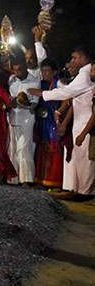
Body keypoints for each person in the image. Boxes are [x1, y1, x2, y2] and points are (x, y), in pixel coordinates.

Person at [28, 47, 95, 195]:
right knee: (79, 158)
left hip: (86, 122)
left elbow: (67, 93)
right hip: (78, 121)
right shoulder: (82, 74)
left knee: (85, 159)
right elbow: (73, 99)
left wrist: (41, 93)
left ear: (84, 58)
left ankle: (85, 192)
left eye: (74, 58)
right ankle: (78, 190)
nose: (71, 61)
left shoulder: (86, 75)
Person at [7, 56, 40, 185]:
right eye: (15, 70)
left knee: (24, 149)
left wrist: (23, 103)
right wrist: (11, 102)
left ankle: (26, 180)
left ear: (25, 67)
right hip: (13, 118)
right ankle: (14, 179)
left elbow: (35, 104)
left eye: (20, 69)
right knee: (13, 150)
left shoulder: (35, 80)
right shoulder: (12, 81)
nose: (17, 72)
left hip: (27, 118)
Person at [34, 58, 64, 189]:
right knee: (44, 149)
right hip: (43, 121)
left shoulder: (59, 83)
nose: (45, 74)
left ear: (55, 71)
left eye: (47, 71)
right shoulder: (42, 84)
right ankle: (43, 180)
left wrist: (59, 112)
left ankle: (56, 182)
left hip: (54, 121)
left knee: (54, 150)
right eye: (43, 71)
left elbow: (66, 99)